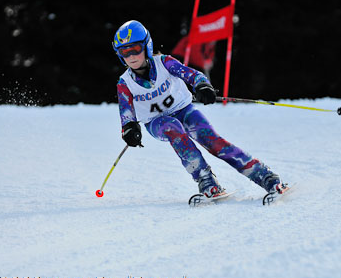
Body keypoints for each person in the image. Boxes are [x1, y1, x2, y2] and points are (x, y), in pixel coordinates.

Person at [113, 20, 286, 199]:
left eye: (135, 49)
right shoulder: (124, 82)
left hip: (183, 110)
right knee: (172, 127)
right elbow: (126, 112)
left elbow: (191, 74)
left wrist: (202, 86)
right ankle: (206, 180)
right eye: (124, 52)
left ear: (147, 46)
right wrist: (129, 129)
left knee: (213, 141)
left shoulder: (164, 63)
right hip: (157, 122)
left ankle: (264, 176)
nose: (131, 56)